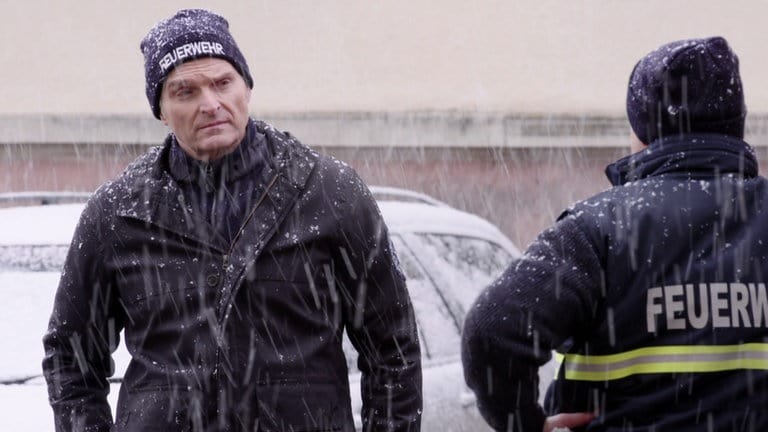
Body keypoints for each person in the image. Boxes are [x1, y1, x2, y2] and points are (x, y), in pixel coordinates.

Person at [42, 9, 422, 431]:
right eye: (185, 91)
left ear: (247, 88)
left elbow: (393, 350)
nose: (211, 104)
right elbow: (70, 357)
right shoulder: (118, 213)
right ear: (162, 111)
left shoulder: (328, 193)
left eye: (223, 83)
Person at [462, 36, 768, 431]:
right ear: (736, 124)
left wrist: (525, 424)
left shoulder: (600, 228)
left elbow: (493, 332)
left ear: (642, 131)